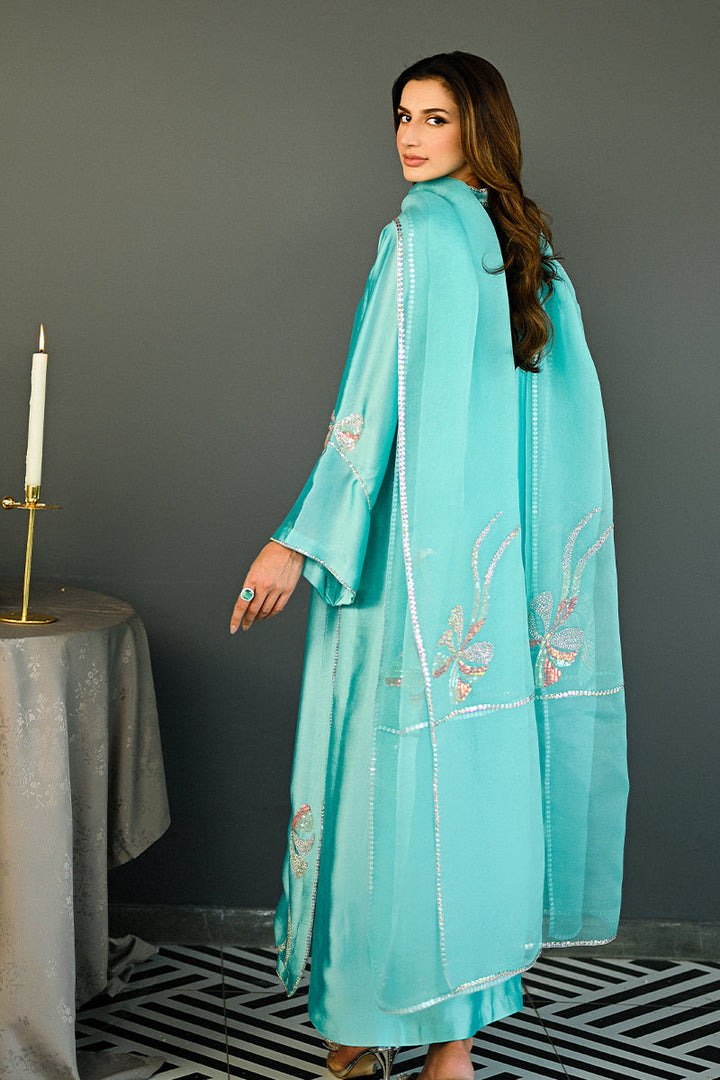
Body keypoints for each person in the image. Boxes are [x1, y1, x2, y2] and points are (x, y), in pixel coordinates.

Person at [231, 52, 628, 1080]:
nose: (410, 137)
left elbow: (369, 407)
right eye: (403, 116)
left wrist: (295, 539)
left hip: (403, 570)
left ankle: (356, 1029)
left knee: (382, 791)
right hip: (492, 585)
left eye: (435, 118)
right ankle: (453, 1048)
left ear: (478, 127)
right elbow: (558, 422)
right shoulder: (523, 243)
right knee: (473, 785)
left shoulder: (417, 234)